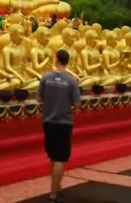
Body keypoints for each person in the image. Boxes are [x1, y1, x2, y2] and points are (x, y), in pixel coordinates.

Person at [37, 49, 81, 202]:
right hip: (64, 121)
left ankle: (57, 186)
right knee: (60, 157)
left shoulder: (46, 77)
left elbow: (39, 100)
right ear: (68, 61)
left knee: (53, 156)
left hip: (48, 121)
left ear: (56, 59)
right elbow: (76, 104)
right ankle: (54, 193)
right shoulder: (71, 81)